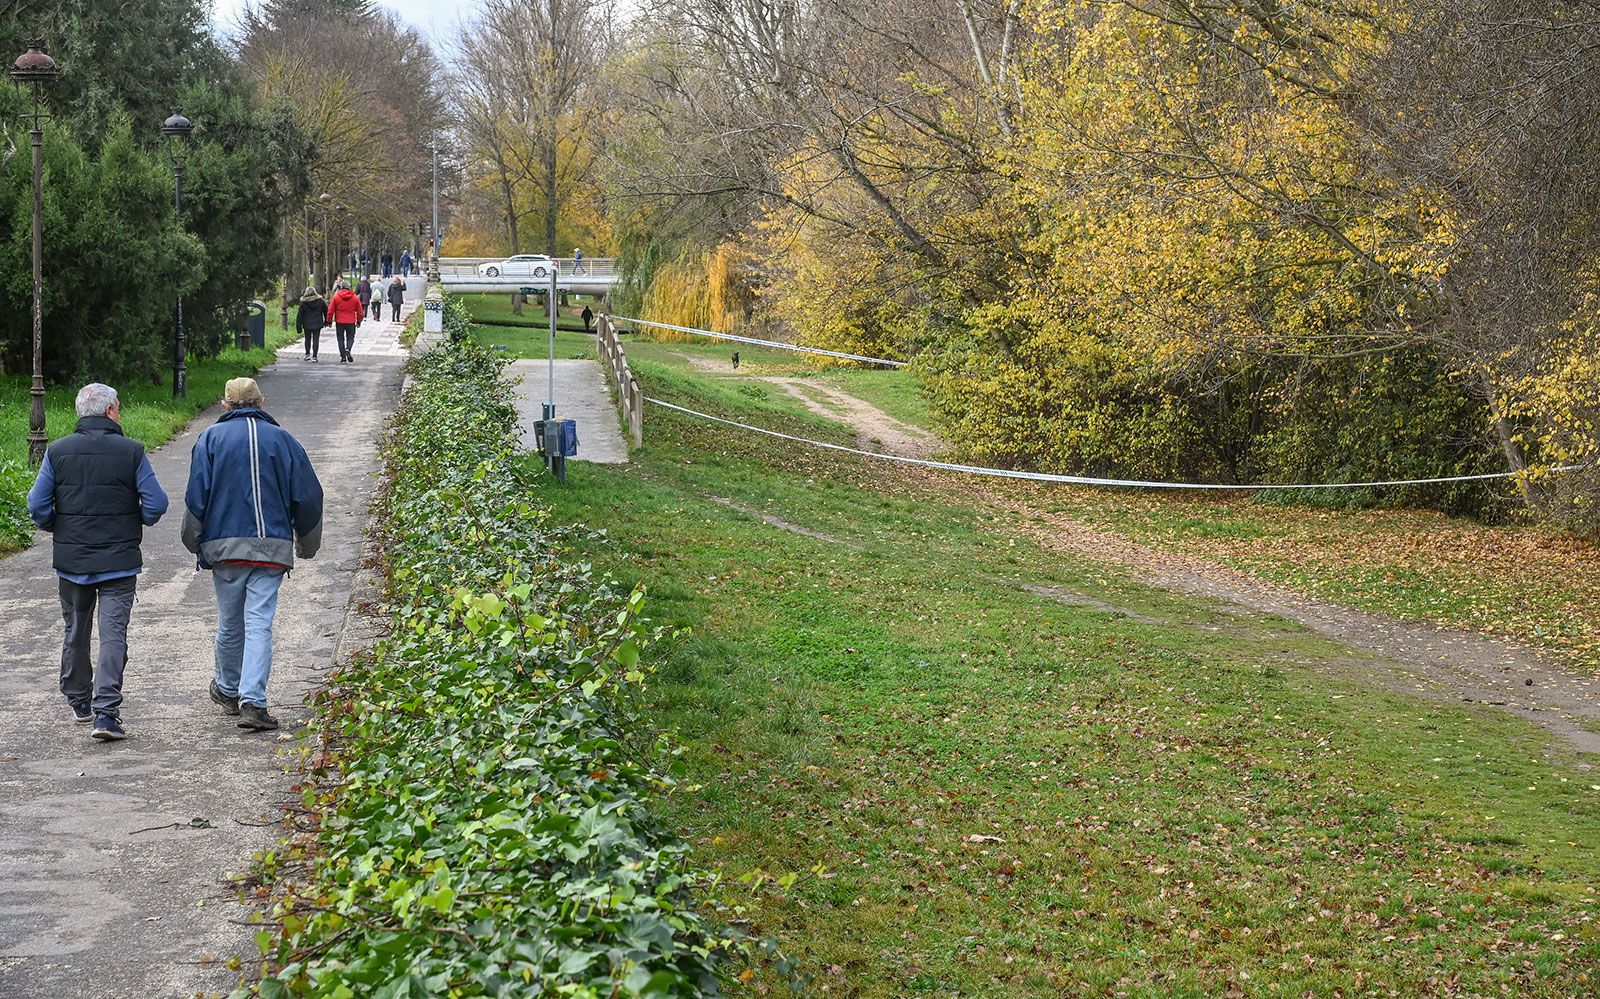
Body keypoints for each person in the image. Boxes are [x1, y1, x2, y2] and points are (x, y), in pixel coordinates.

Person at [27, 383, 168, 741]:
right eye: (118, 408)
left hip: (72, 561)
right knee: (112, 634)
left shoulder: (58, 452)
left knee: (76, 629)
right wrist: (137, 519)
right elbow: (156, 504)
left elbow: (37, 505)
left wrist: (57, 526)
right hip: (119, 562)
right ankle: (106, 714)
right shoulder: (131, 451)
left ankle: (79, 701)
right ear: (109, 412)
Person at [182, 378, 322, 732]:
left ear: (225, 405)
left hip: (224, 548)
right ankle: (253, 702)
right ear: (262, 402)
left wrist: (192, 539)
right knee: (259, 622)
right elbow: (308, 496)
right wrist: (306, 543)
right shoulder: (284, 440)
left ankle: (228, 689)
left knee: (230, 622)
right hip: (271, 548)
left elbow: (197, 495)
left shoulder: (211, 440)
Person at [326, 279, 364, 363]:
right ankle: (348, 349)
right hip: (351, 321)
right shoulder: (355, 298)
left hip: (339, 321)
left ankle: (343, 357)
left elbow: (330, 310)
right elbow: (360, 311)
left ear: (341, 287)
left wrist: (329, 320)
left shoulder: (336, 297)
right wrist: (359, 320)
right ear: (349, 287)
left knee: (340, 339)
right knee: (350, 338)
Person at [296, 286, 327, 362]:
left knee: (307, 339)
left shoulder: (303, 303)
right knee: (316, 340)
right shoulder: (321, 301)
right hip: (317, 323)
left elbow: (300, 315)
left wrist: (298, 326)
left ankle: (307, 354)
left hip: (307, 324)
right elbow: (326, 311)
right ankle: (315, 356)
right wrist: (327, 321)